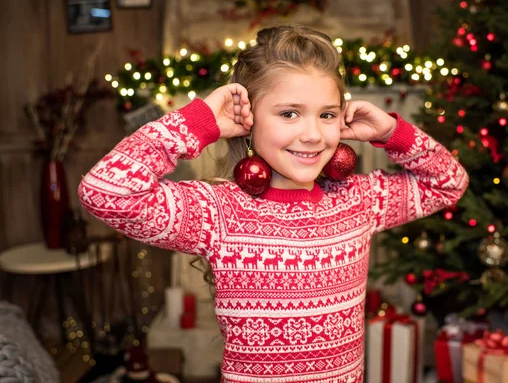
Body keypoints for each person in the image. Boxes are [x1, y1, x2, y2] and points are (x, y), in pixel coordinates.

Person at [79, 25, 469, 383]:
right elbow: (105, 191)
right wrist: (199, 121)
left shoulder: (358, 201)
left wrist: (393, 132)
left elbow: (448, 183)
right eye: (289, 114)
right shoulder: (217, 211)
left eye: (327, 115)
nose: (313, 134)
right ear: (250, 121)